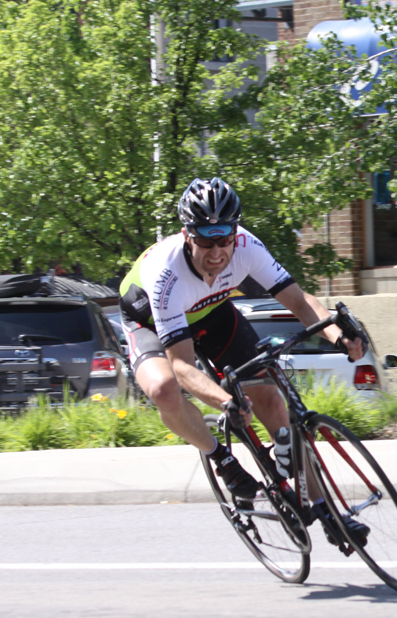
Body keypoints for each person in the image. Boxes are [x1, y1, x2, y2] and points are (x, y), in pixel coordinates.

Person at [119, 177, 364, 500]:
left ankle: (324, 507)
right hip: (148, 319)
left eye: (225, 238)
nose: (218, 251)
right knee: (163, 389)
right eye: (206, 240)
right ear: (186, 235)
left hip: (211, 310)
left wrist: (337, 336)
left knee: (271, 400)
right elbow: (181, 365)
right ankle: (220, 457)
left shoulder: (247, 246)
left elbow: (299, 302)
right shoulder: (168, 275)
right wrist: (226, 402)